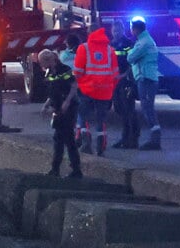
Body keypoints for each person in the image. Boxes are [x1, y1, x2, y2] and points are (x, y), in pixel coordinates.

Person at [73, 26, 119, 155]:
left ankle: (86, 144)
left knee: (83, 116)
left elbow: (77, 72)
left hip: (87, 89)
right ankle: (101, 147)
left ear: (89, 33)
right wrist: (110, 87)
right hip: (104, 91)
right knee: (101, 120)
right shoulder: (110, 50)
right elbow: (115, 74)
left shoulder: (84, 48)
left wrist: (80, 84)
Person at [43, 46, 82, 178]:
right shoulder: (49, 73)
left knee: (67, 138)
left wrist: (67, 102)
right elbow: (53, 91)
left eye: (43, 63)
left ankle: (74, 169)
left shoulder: (64, 69)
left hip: (69, 108)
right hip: (58, 109)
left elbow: (73, 85)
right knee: (59, 139)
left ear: (49, 60)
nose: (42, 66)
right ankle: (56, 169)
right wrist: (47, 104)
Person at [128, 17, 163, 150]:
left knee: (147, 107)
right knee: (148, 107)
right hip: (149, 77)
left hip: (145, 78)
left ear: (136, 29)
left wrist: (131, 52)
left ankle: (155, 139)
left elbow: (130, 57)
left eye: (132, 28)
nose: (131, 31)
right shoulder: (147, 40)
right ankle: (154, 137)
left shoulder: (142, 43)